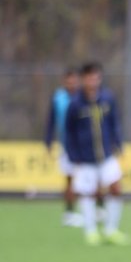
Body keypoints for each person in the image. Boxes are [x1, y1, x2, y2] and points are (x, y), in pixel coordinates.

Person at [63, 62, 130, 246]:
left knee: (116, 188)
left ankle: (111, 230)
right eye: (90, 78)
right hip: (85, 159)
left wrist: (118, 142)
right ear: (83, 79)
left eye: (96, 77)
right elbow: (68, 132)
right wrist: (72, 154)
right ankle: (91, 232)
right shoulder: (75, 104)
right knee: (88, 194)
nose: (93, 81)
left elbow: (114, 122)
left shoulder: (107, 98)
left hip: (106, 156)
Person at [43, 67, 82, 227]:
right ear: (64, 82)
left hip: (84, 147)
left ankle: (94, 211)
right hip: (67, 146)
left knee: (88, 181)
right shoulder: (58, 98)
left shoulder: (83, 97)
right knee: (69, 180)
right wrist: (48, 141)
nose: (71, 83)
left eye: (74, 80)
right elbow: (51, 120)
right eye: (68, 81)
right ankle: (69, 213)